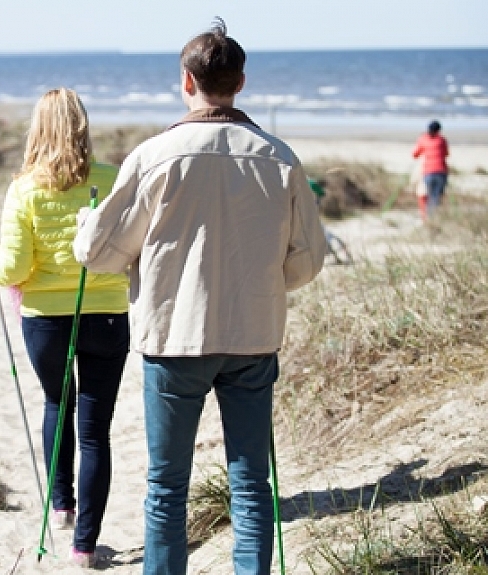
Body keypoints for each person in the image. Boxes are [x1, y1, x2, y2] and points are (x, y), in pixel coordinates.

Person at [73, 19, 326, 575]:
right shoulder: (279, 157)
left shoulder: (155, 156)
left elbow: (98, 252)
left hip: (174, 336)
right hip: (253, 335)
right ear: (240, 83)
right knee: (251, 482)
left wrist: (90, 223)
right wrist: (257, 279)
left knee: (167, 486)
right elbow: (307, 259)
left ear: (187, 82)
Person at [0, 88, 130, 569]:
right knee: (94, 431)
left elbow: (14, 267)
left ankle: (61, 506)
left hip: (45, 321)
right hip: (105, 314)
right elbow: (130, 247)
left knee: (55, 403)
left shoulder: (23, 189)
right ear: (83, 127)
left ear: (36, 130)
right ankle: (84, 546)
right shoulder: (112, 180)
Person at [412, 120, 449, 220]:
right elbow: (446, 153)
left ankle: (427, 216)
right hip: (441, 171)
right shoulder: (442, 140)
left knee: (428, 194)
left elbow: (415, 154)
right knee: (436, 195)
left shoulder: (423, 139)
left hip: (428, 171)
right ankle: (432, 216)